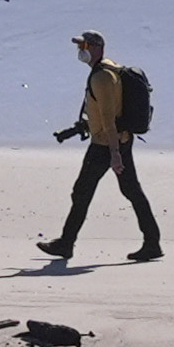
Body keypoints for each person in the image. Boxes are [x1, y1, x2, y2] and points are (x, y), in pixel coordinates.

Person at [46, 30, 162, 263]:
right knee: (127, 191)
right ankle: (152, 242)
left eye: (85, 47)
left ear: (97, 48)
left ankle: (66, 243)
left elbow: (109, 118)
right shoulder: (107, 70)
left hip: (107, 145)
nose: (81, 52)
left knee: (84, 191)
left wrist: (114, 154)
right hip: (114, 141)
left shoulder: (102, 77)